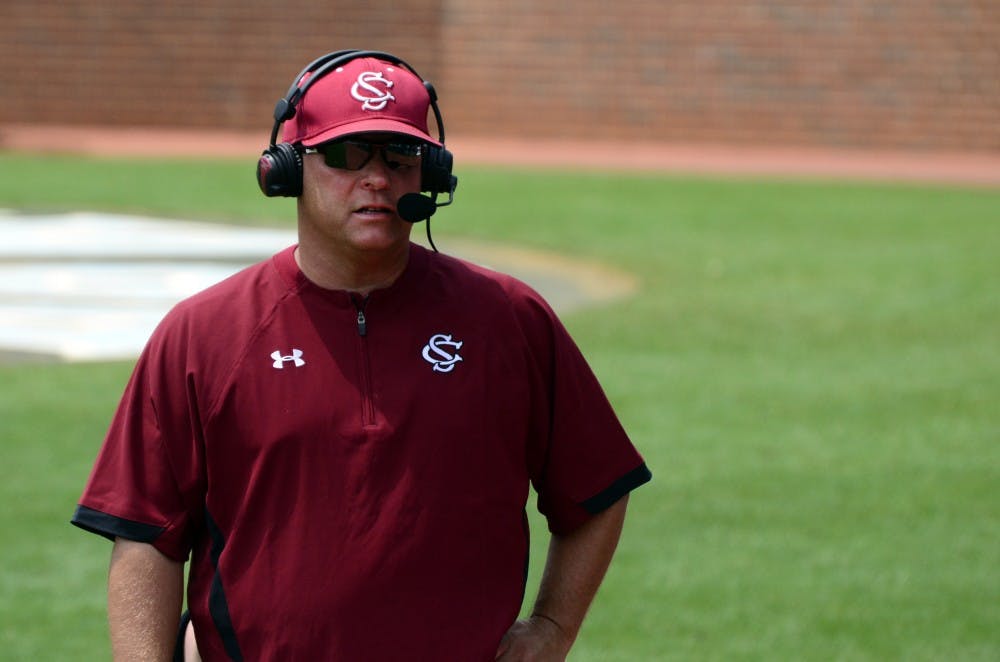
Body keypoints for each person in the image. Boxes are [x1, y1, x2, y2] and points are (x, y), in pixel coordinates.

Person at [72, 49, 651, 661]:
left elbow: (598, 488)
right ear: (288, 169)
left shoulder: (509, 319)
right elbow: (146, 536)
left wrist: (553, 628)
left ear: (431, 176)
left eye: (400, 156)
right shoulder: (204, 333)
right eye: (348, 155)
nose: (377, 178)